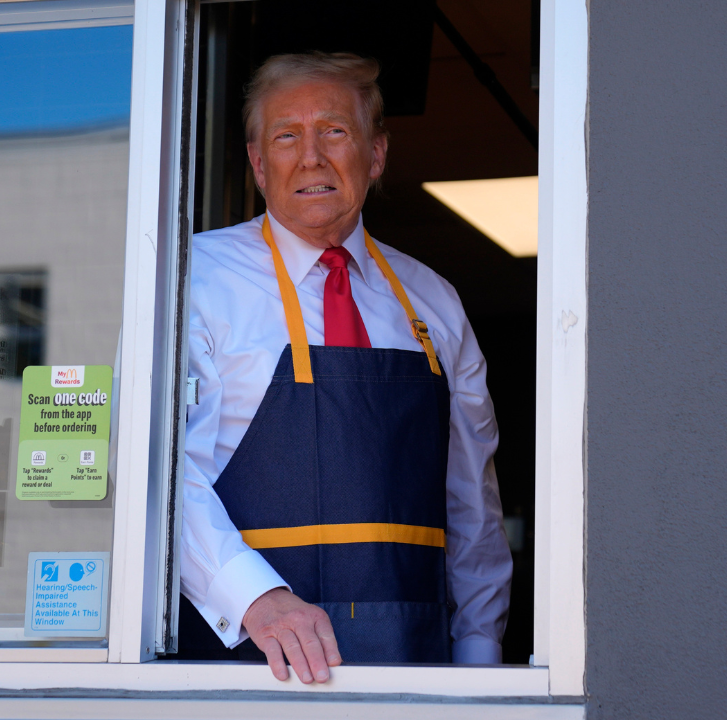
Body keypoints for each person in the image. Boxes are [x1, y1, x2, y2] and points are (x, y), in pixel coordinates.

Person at [178, 52, 512, 684]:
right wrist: (254, 597)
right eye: (286, 136)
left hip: (412, 671)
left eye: (334, 131)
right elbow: (159, 473)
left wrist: (479, 657)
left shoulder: (433, 300)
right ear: (257, 163)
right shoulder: (193, 280)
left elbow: (472, 502)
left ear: (377, 155)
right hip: (240, 669)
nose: (311, 157)